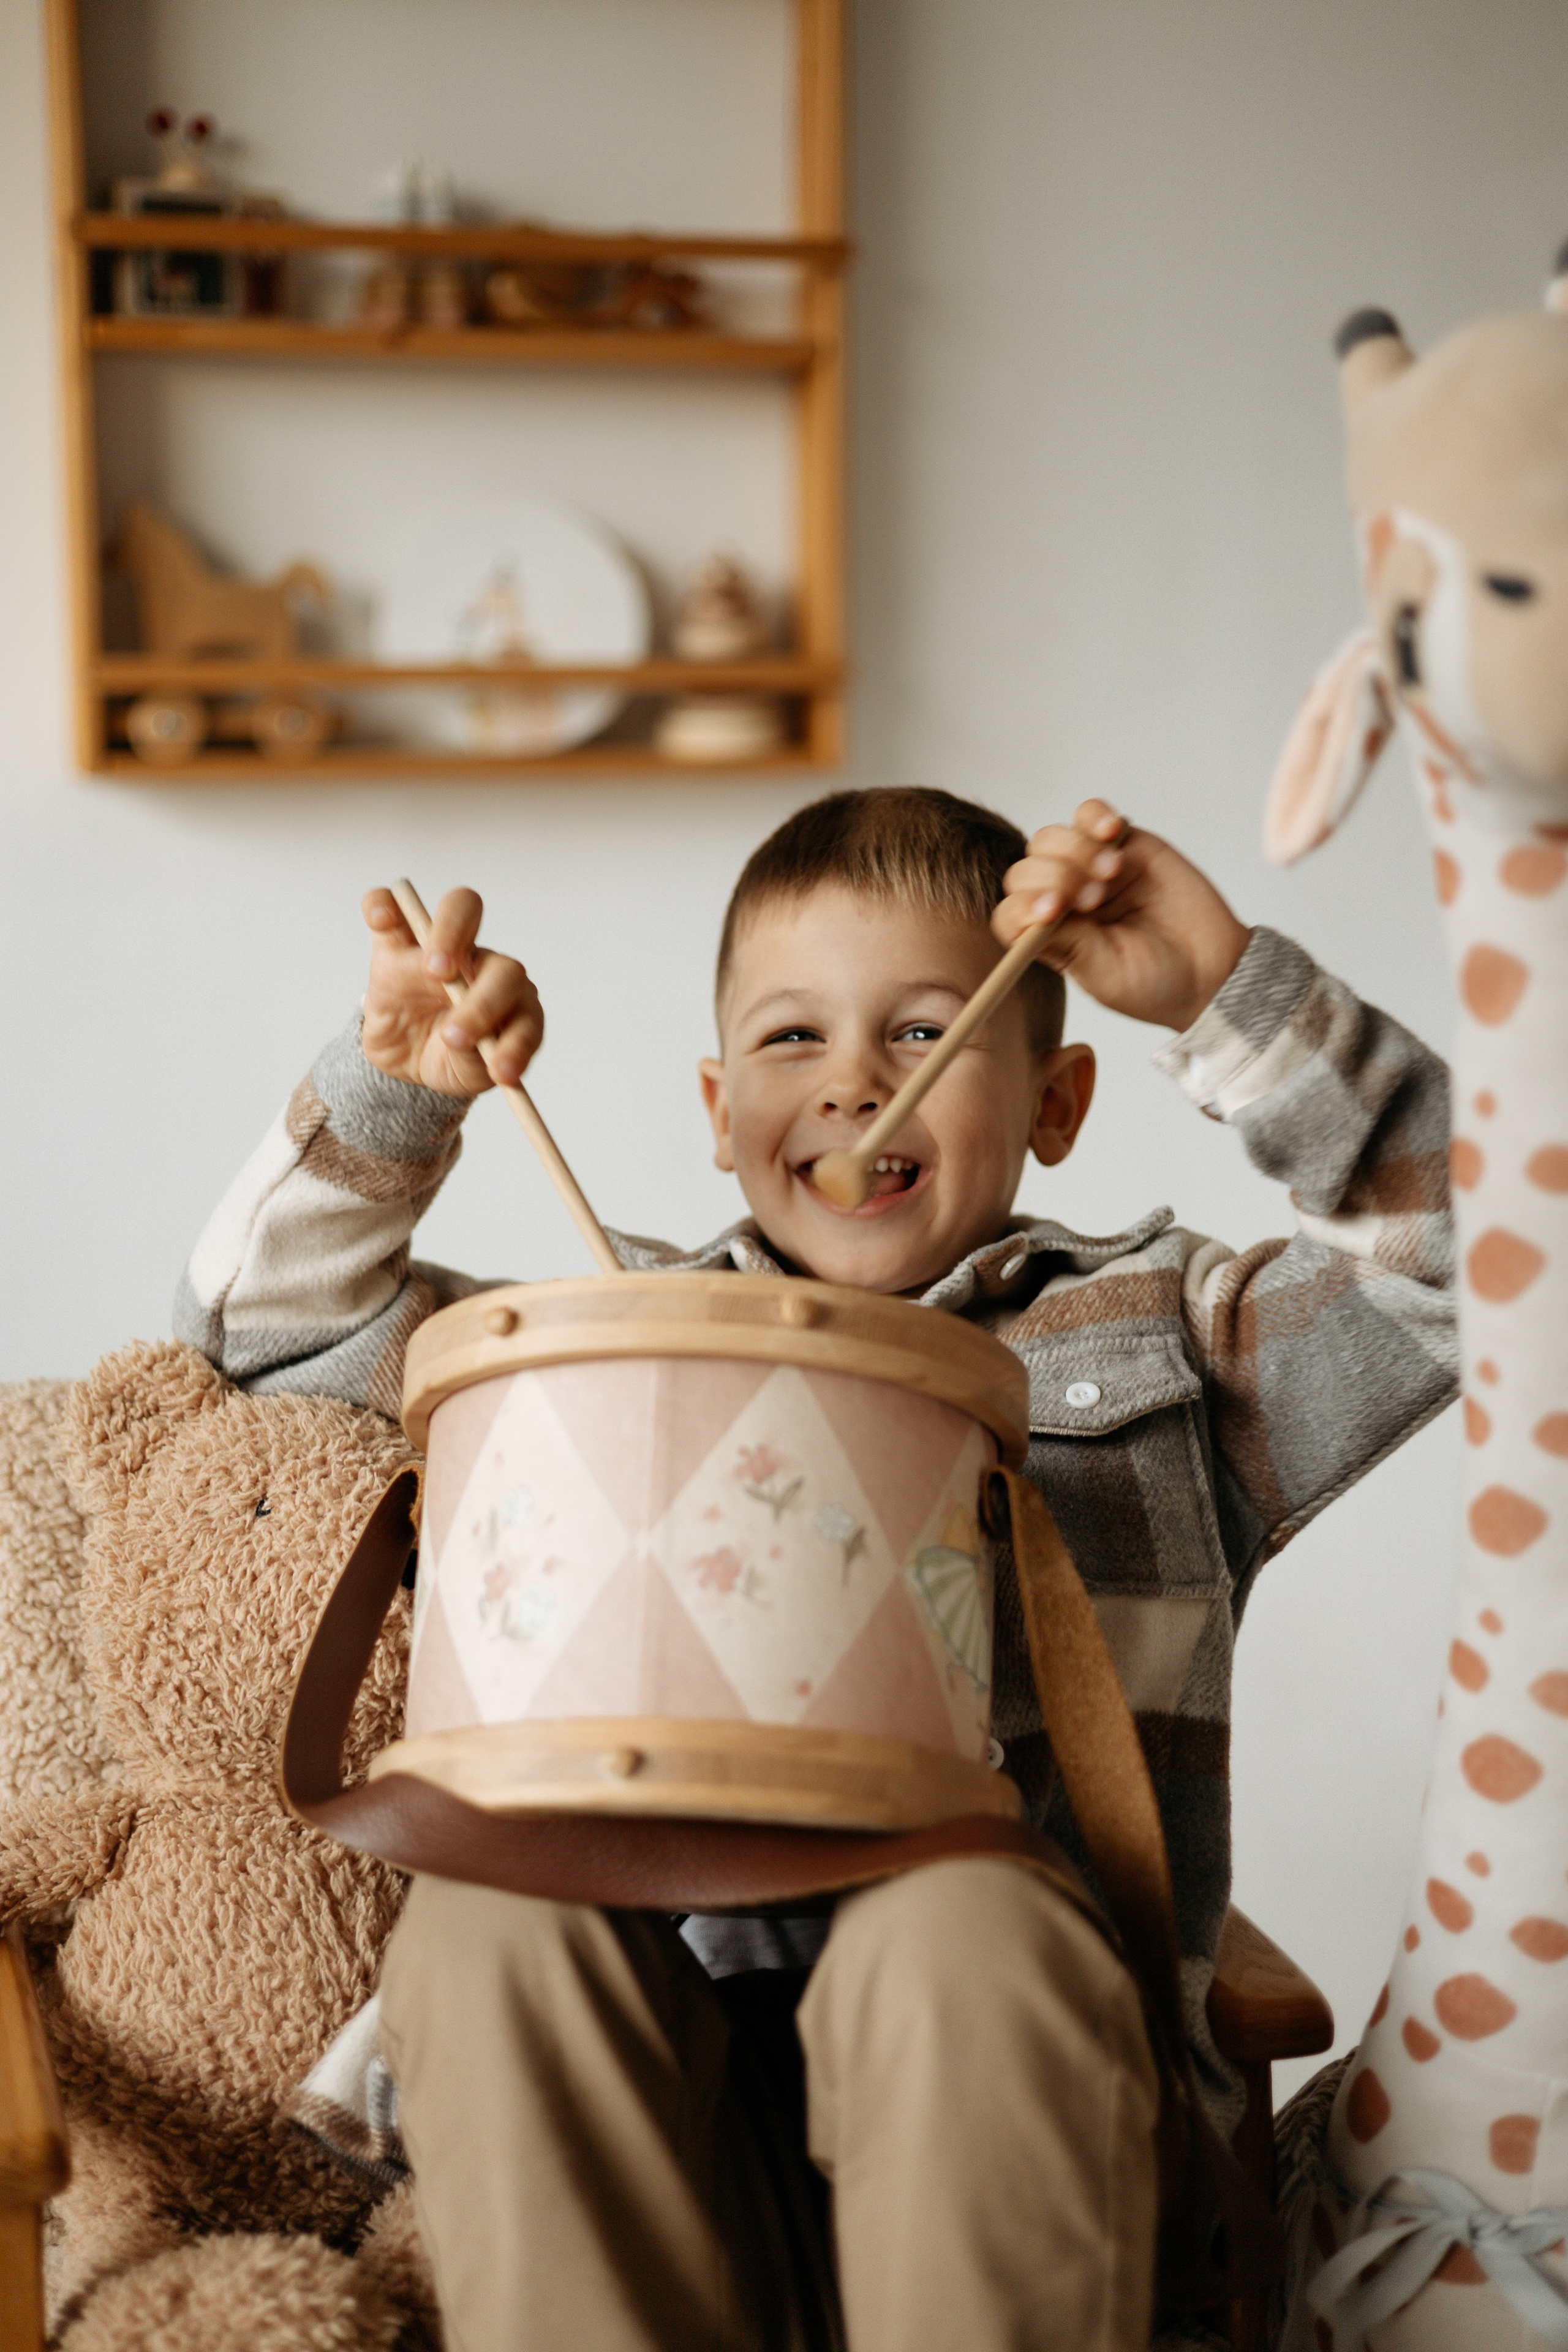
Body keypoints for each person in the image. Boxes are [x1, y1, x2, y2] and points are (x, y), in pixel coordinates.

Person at [177, 788, 1455, 2352]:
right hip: (663, 2143)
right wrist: (394, 1094)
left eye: (925, 1033)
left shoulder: (1178, 1348)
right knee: (488, 1923)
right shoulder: (610, 1329)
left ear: (1054, 1102)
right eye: (792, 1041)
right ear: (718, 1110)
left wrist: (1223, 995)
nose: (853, 1083)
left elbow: (1501, 1271)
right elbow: (264, 1343)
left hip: (1023, 2139)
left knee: (956, 1929)